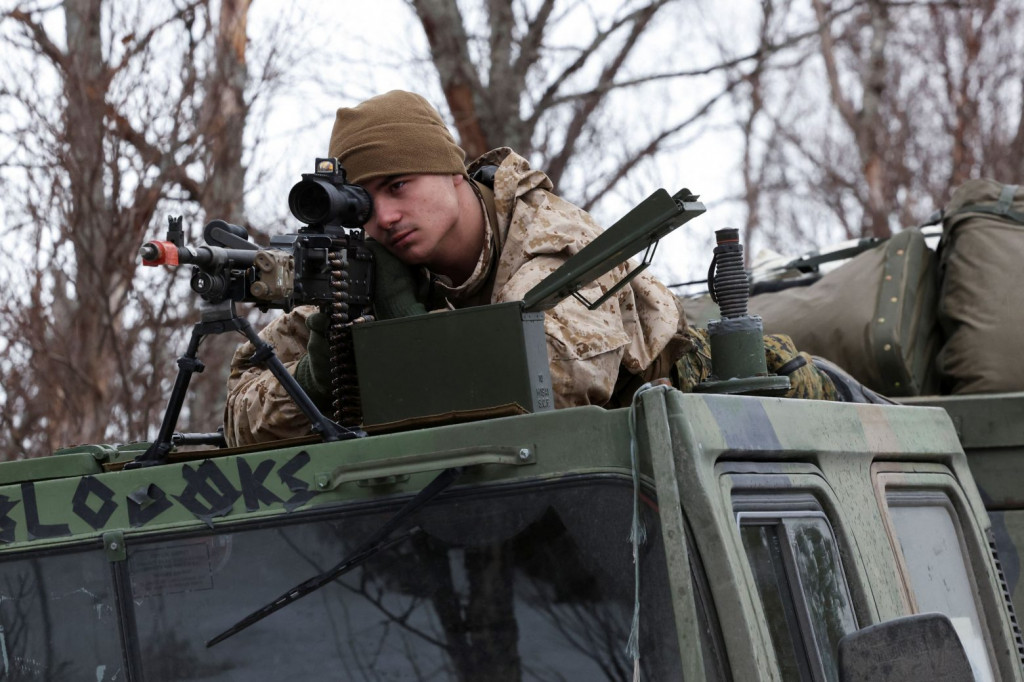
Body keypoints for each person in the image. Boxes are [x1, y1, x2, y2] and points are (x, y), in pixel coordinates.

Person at [223, 90, 840, 447]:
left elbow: (549, 393)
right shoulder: (367, 268)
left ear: (450, 169)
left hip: (736, 410)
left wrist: (406, 331)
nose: (384, 217)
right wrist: (318, 373)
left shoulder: (550, 238)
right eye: (364, 203)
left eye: (398, 186)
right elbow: (237, 421)